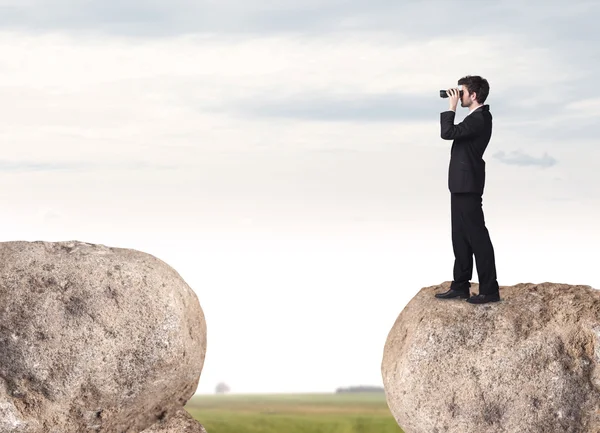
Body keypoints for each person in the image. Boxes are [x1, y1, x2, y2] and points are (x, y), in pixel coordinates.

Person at [434, 75, 501, 304]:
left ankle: (489, 290)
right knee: (460, 237)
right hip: (461, 184)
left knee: (477, 237)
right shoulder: (474, 118)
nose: (458, 95)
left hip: (468, 184)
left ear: (473, 95)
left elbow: (447, 133)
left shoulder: (480, 118)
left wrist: (451, 108)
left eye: (461, 92)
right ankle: (460, 286)